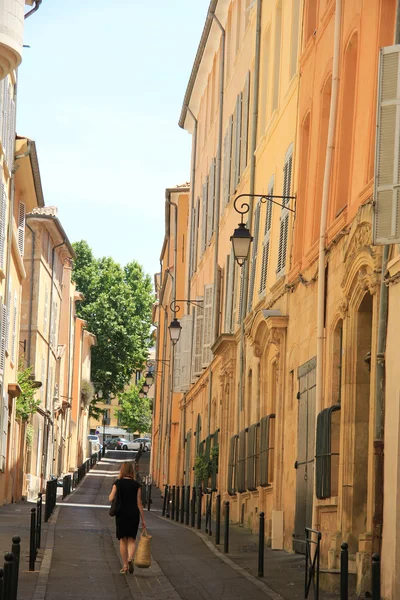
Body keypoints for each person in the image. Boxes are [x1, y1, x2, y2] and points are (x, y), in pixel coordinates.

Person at [109, 460, 146, 574]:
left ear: (122, 470)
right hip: (133, 514)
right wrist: (143, 520)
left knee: (122, 540)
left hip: (121, 514)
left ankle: (125, 565)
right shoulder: (136, 485)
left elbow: (111, 498)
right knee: (131, 539)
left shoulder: (118, 483)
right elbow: (139, 502)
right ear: (131, 471)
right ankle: (130, 558)